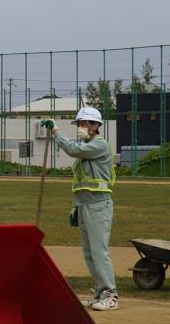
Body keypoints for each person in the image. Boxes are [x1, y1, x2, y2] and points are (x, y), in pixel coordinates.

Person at [45, 106, 117, 311]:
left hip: (98, 204)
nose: (81, 127)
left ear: (96, 126)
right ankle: (99, 293)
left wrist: (56, 131)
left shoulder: (99, 145)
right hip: (86, 204)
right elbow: (81, 182)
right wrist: (75, 207)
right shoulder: (87, 146)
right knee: (89, 252)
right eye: (79, 124)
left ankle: (110, 295)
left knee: (98, 251)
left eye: (85, 123)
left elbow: (72, 149)